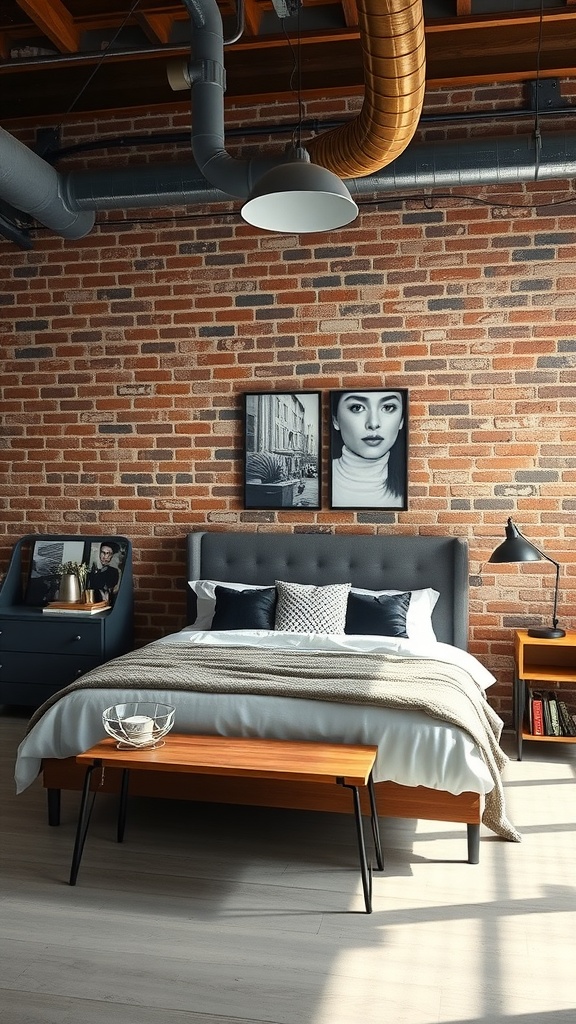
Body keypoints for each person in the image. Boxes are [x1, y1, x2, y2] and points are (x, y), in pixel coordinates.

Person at [331, 389, 407, 508]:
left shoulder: (412, 487)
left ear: (401, 420)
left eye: (387, 407)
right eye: (357, 407)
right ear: (335, 420)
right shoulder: (322, 482)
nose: (373, 423)